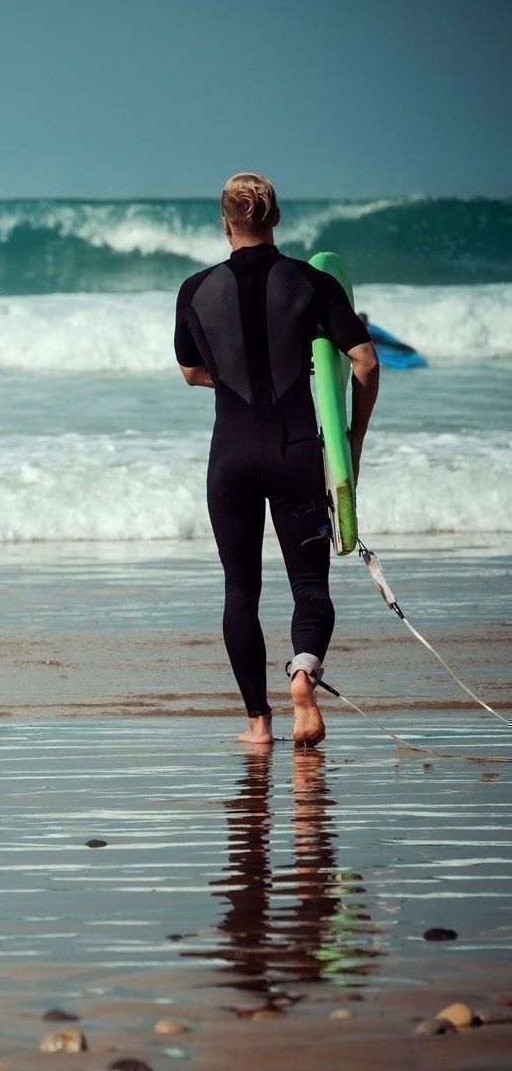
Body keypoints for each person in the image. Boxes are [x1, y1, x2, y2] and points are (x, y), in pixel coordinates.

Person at [174, 173, 379, 748]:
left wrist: (242, 376)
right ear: (277, 218)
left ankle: (257, 724)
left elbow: (191, 371)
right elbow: (363, 362)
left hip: (231, 458)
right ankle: (303, 676)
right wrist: (351, 438)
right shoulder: (312, 282)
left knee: (240, 589)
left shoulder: (194, 289)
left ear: (224, 223)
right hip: (297, 454)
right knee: (309, 586)